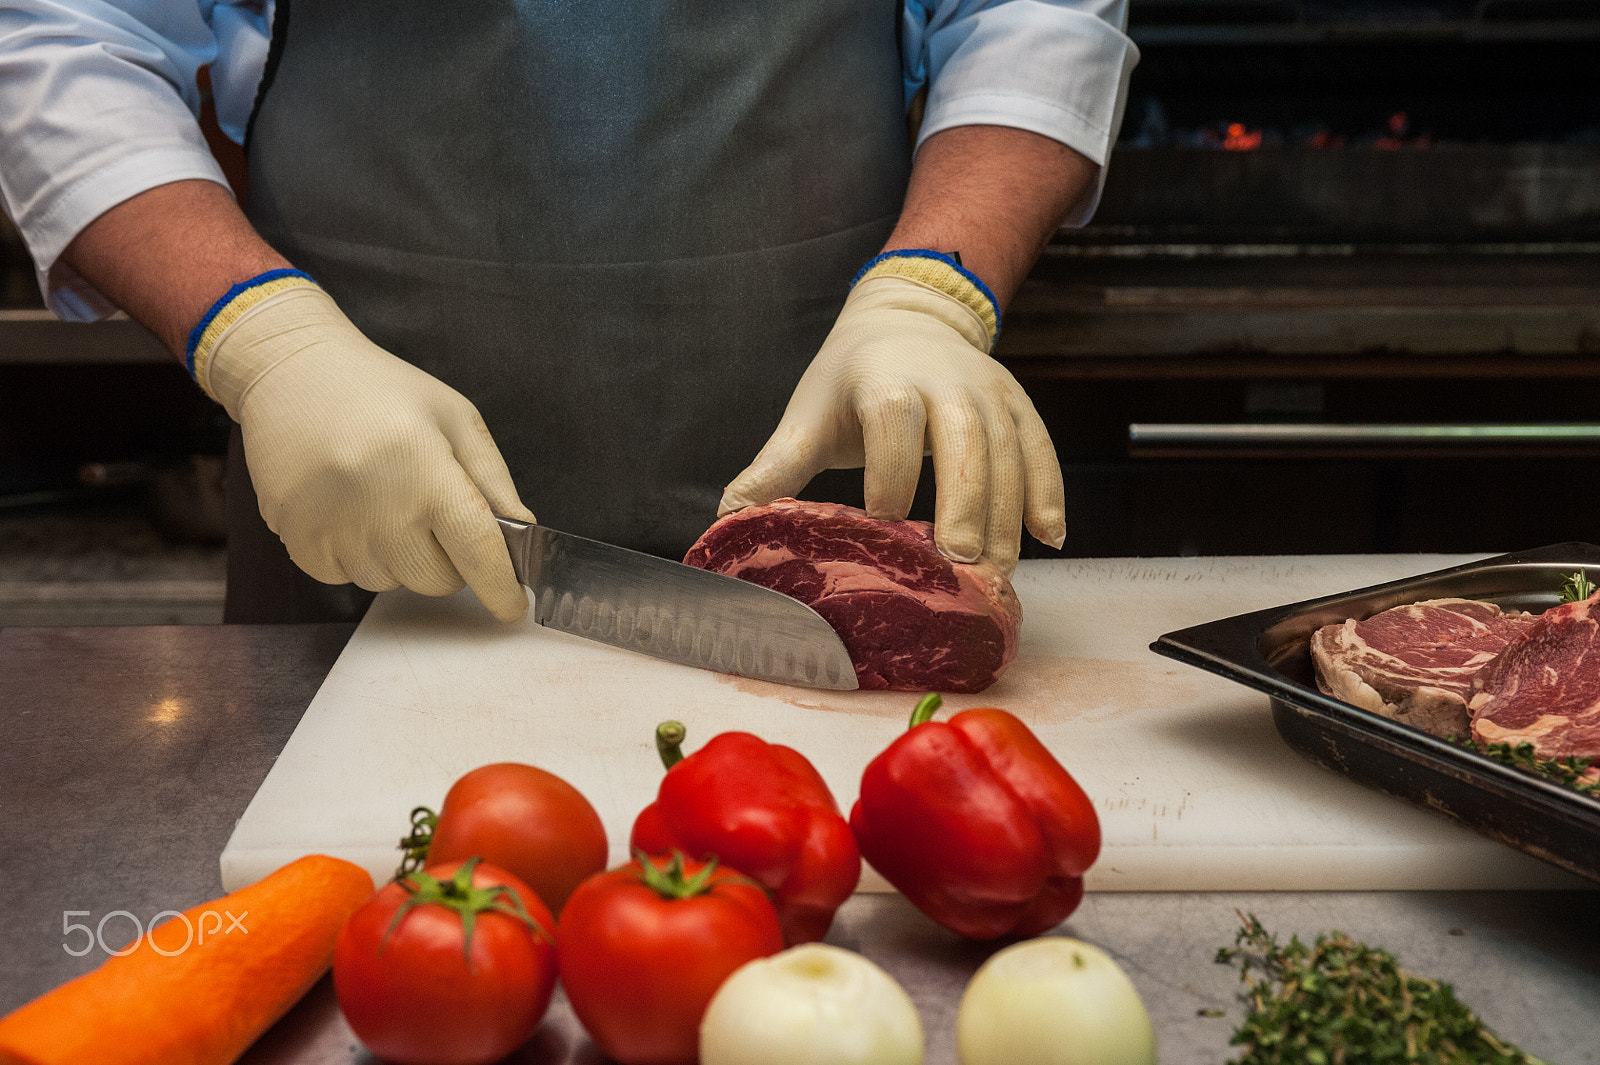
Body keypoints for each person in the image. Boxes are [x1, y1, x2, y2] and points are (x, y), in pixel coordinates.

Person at [0, 0, 1138, 623]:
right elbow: (64, 34)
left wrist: (929, 294)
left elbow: (1026, 11)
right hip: (364, 536)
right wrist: (261, 341)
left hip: (832, 537)